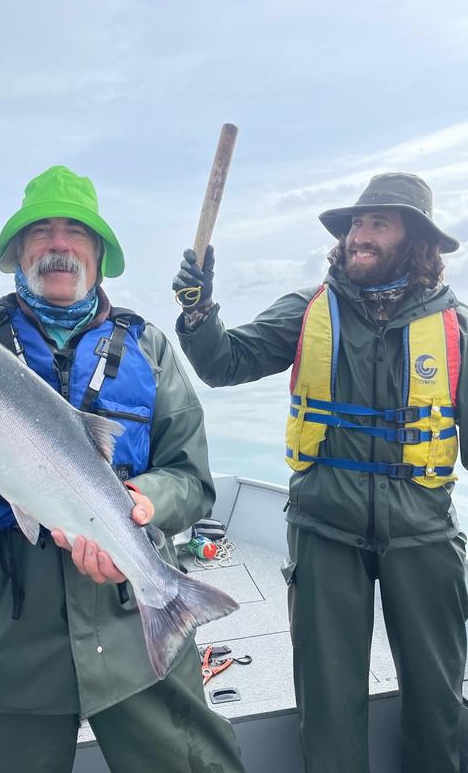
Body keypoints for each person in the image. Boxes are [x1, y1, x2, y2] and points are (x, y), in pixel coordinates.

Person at [0, 165, 245, 773]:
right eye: (40, 232)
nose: (59, 244)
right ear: (17, 254)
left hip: (130, 636)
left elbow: (191, 478)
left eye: (76, 231)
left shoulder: (148, 349)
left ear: (98, 253)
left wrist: (143, 501)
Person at [172, 172, 468, 773]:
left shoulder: (456, 326)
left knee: (439, 704)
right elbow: (226, 363)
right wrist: (197, 310)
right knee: (329, 705)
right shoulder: (308, 310)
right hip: (324, 532)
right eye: (354, 224)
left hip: (424, 534)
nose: (358, 236)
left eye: (376, 224)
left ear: (415, 241)